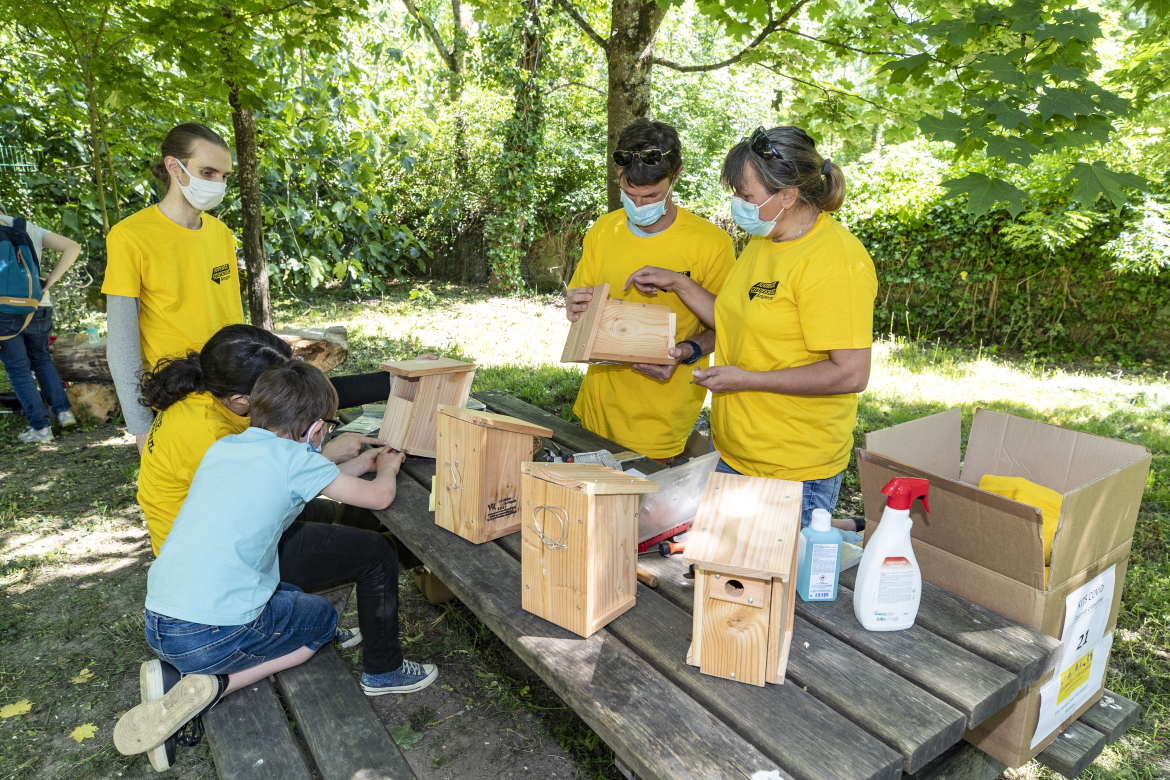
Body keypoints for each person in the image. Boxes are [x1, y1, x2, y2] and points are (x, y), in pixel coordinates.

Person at [112, 359, 437, 765]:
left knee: (281, 586)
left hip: (161, 620)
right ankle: (220, 684)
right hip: (212, 636)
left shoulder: (227, 446)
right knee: (323, 618)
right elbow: (379, 498)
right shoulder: (297, 462)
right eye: (328, 429)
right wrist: (387, 468)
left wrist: (361, 466)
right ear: (317, 429)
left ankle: (176, 676)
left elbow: (306, 480)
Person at [625, 126, 877, 538]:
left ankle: (841, 530)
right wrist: (680, 283)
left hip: (792, 466)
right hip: (737, 450)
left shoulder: (836, 261)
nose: (738, 204)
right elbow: (735, 318)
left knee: (767, 585)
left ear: (788, 195)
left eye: (747, 196)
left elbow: (851, 373)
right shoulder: (766, 238)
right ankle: (847, 529)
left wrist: (747, 380)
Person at [103, 122, 390, 454]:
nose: (217, 184)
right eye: (207, 172)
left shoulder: (219, 233)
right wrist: (141, 428)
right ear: (173, 167)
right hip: (183, 395)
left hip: (237, 384)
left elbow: (230, 318)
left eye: (224, 177)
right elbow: (122, 343)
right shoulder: (130, 236)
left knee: (308, 405)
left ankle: (397, 381)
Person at [563, 119, 735, 461]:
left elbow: (730, 327)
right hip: (596, 409)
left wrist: (687, 350)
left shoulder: (711, 244)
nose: (639, 206)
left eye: (651, 196)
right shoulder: (602, 230)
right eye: (630, 194)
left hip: (661, 416)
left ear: (677, 175)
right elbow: (581, 308)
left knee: (642, 511)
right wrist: (575, 306)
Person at [0, 205, 80, 442]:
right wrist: (51, 279)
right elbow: (72, 246)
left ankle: (40, 428)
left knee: (18, 369)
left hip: (4, 309)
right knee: (42, 359)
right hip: (38, 302)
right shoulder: (24, 226)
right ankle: (64, 413)